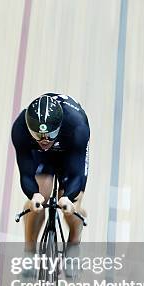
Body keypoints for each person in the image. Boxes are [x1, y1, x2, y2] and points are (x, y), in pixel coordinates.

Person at [11, 93, 90, 254]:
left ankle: (74, 244)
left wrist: (68, 197)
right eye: (38, 135)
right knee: (38, 199)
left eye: (50, 135)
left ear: (59, 126)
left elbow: (76, 174)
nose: (45, 140)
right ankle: (29, 250)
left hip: (70, 150)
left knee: (71, 205)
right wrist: (34, 194)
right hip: (42, 155)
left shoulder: (77, 128)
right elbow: (26, 173)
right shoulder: (21, 128)